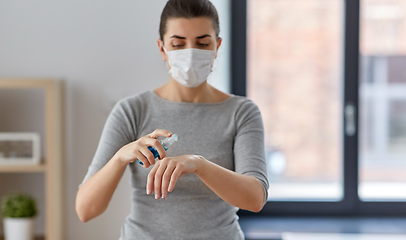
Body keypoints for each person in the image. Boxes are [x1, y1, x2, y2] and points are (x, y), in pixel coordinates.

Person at [75, 0, 268, 239]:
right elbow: (86, 209)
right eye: (178, 44)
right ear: (162, 48)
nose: (189, 53)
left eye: (203, 43)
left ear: (217, 47)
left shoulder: (242, 112)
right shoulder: (132, 110)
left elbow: (255, 198)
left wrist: (198, 164)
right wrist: (120, 157)